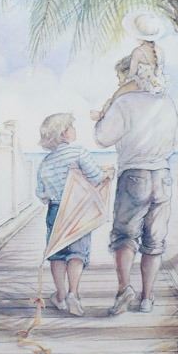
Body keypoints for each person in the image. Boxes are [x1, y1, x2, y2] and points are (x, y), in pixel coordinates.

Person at [94, 28, 178, 315]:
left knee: (125, 237)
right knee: (154, 241)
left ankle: (123, 291)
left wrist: (102, 115)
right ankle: (147, 297)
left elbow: (102, 138)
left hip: (134, 174)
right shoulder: (166, 102)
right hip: (163, 174)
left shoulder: (125, 102)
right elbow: (173, 141)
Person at [36, 113, 108, 317]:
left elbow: (41, 193)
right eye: (71, 127)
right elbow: (95, 176)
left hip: (55, 210)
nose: (75, 130)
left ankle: (59, 295)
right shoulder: (78, 152)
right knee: (77, 253)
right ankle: (73, 294)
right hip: (78, 210)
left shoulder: (45, 161)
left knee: (57, 252)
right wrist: (105, 174)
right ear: (63, 133)